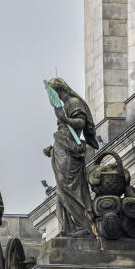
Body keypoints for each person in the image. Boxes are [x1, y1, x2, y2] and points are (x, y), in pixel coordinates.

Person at [42, 78, 99, 237]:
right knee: (62, 189)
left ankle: (82, 225)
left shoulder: (74, 102)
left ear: (59, 90)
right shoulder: (62, 105)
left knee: (71, 187)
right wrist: (53, 150)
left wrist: (66, 119)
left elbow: (80, 123)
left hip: (71, 149)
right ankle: (68, 227)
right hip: (61, 147)